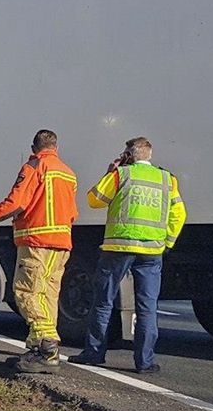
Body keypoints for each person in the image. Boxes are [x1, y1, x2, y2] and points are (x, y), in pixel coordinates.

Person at [0, 129, 78, 373]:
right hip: (61, 243)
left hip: (36, 242)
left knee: (27, 293)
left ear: (34, 147)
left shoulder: (34, 167)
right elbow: (73, 212)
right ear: (56, 147)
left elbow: (15, 204)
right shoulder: (68, 172)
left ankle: (47, 348)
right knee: (47, 296)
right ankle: (37, 349)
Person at [69, 137, 186, 374]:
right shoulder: (167, 179)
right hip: (152, 251)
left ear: (129, 155)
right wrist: (167, 243)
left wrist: (109, 172)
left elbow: (94, 201)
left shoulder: (121, 175)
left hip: (118, 249)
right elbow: (179, 213)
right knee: (147, 306)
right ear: (149, 155)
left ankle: (94, 353)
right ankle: (145, 362)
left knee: (103, 302)